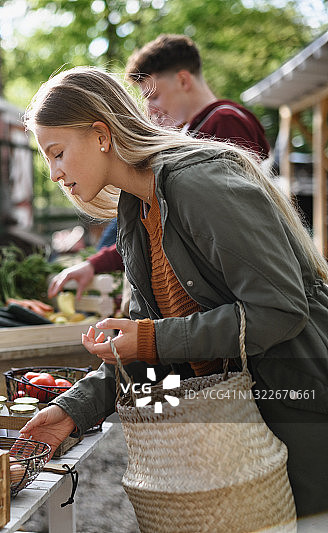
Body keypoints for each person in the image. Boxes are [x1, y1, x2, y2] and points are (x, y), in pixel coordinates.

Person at [18, 66, 328, 517]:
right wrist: (76, 409)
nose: (53, 173)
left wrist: (149, 339)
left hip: (301, 414)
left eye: (57, 152)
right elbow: (151, 346)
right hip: (238, 431)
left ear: (102, 135)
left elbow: (279, 310)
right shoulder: (133, 211)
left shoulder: (196, 184)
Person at [49, 34, 271, 300]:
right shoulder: (190, 133)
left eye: (154, 97)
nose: (149, 110)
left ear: (183, 80)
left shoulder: (223, 123)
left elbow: (226, 228)